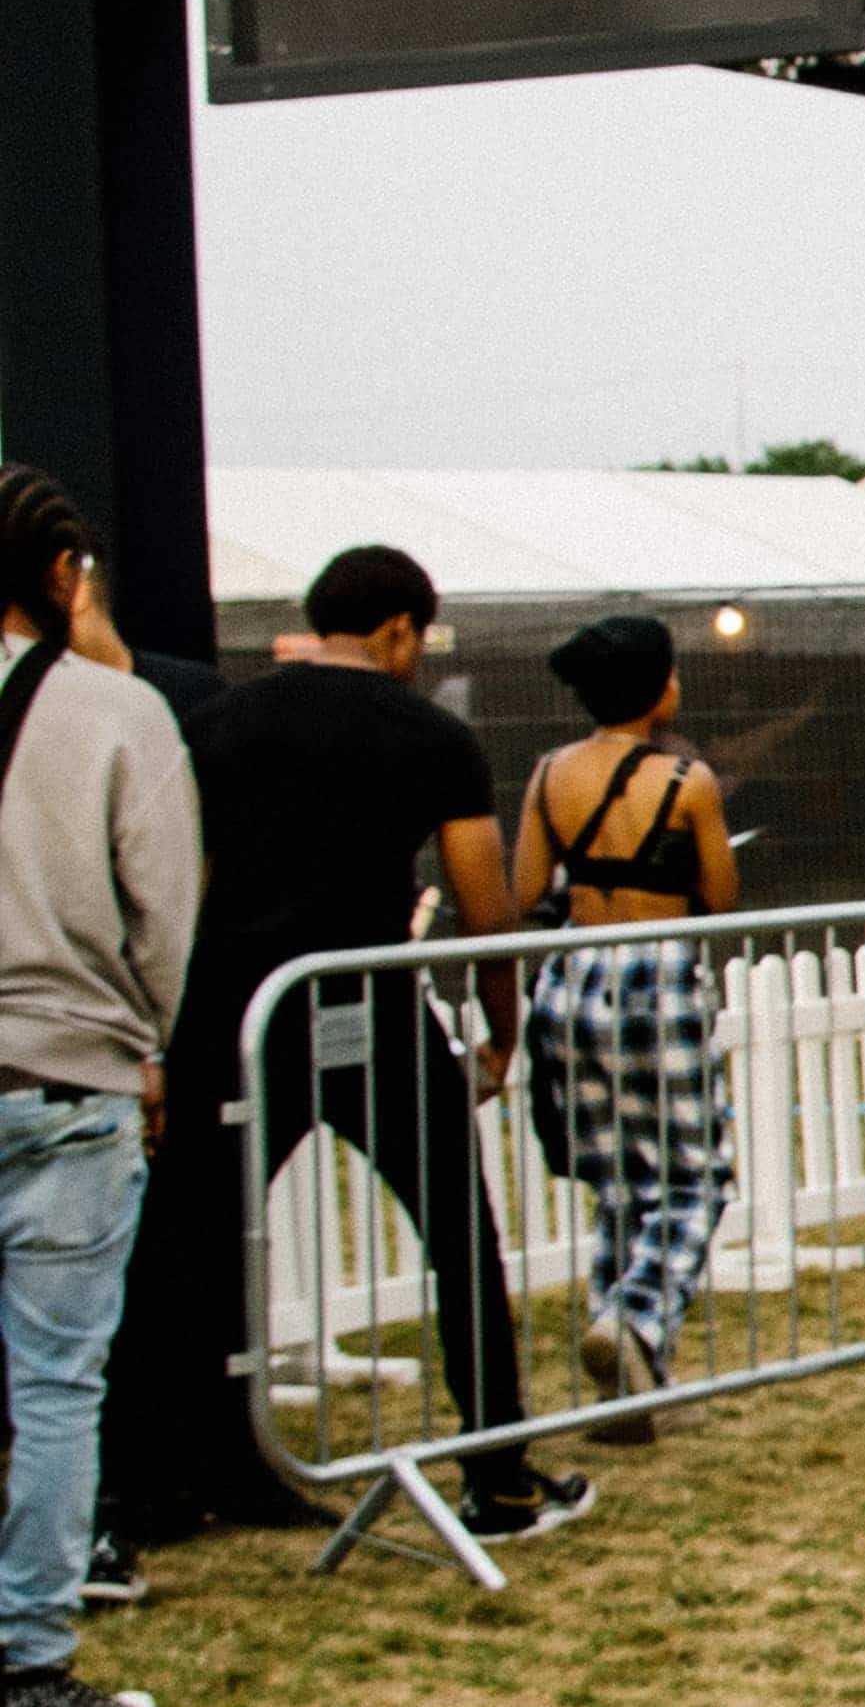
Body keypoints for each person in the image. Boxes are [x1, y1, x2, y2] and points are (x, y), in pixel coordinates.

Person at [149, 545, 586, 1551]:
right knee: (459, 1239)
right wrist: (499, 1034)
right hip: (375, 1009)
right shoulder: (432, 735)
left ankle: (190, 1468)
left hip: (238, 1013)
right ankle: (498, 1472)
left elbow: (187, 889)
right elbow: (488, 911)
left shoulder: (216, 724)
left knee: (200, 1243)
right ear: (400, 629)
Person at [0, 470, 198, 1707]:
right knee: (56, 1381)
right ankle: (27, 1667)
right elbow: (162, 911)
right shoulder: (119, 713)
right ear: (65, 572)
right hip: (64, 1073)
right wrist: (146, 1042)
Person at [513, 611, 739, 1430]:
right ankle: (636, 1319)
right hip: (659, 975)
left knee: (619, 1183)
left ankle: (630, 1388)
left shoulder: (547, 774)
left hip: (573, 977)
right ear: (661, 686)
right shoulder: (688, 782)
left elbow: (529, 885)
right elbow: (719, 895)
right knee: (696, 1178)